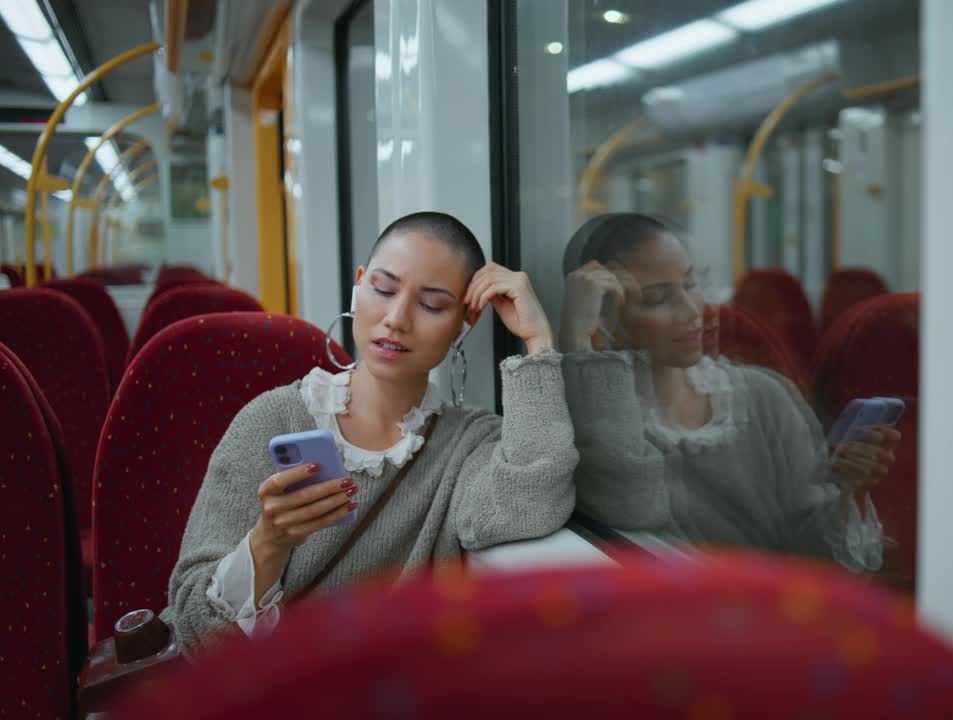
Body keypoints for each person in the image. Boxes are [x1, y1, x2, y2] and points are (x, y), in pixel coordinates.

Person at [163, 211, 577, 651]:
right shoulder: (272, 419)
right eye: (382, 289)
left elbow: (532, 502)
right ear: (358, 285)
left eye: (432, 305)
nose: (396, 318)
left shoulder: (467, 443)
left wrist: (538, 343)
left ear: (464, 321)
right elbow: (194, 627)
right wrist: (269, 543)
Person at [559, 213, 899, 571]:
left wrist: (850, 493)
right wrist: (579, 340)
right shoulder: (603, 425)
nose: (693, 311)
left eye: (690, 284)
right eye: (657, 298)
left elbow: (811, 552)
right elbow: (624, 516)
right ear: (605, 317)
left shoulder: (765, 396)